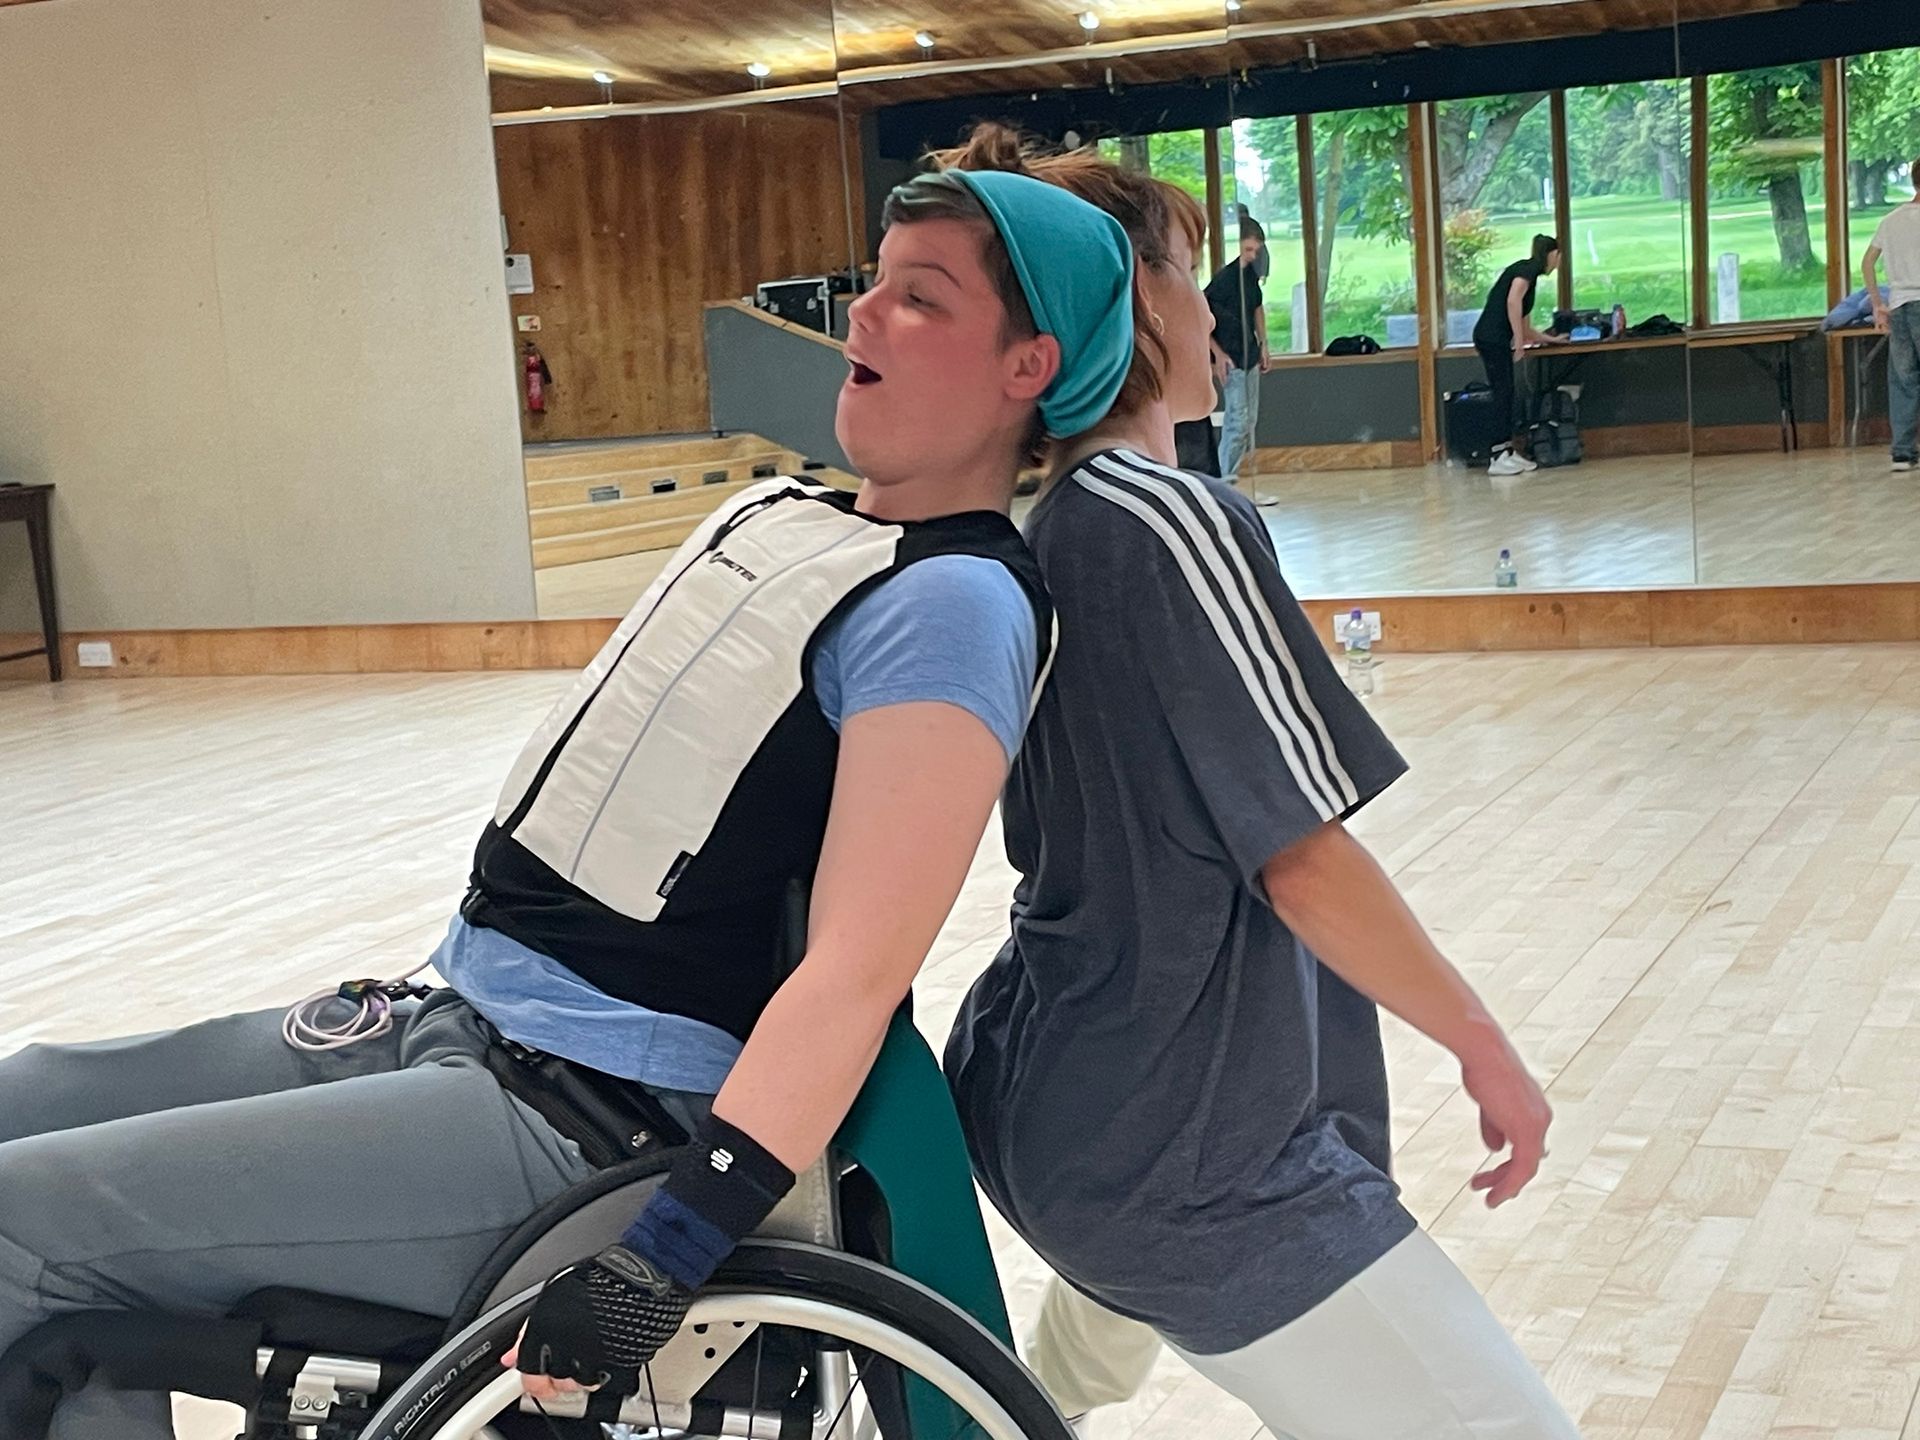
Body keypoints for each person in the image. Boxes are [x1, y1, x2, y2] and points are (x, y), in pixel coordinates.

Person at [0, 171, 1139, 1436]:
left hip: (578, 1128)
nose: (863, 316)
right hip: (464, 1019)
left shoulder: (955, 603)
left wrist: (666, 1254)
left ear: (1026, 366)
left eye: (919, 300)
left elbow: (853, 981)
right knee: (26, 1092)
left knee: (23, 1230)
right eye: (874, 281)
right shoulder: (790, 516)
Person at [937, 125, 1580, 1440]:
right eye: (1183, 277)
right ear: (1126, 307)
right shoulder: (1168, 521)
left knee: (1074, 1367)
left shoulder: (1042, 522)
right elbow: (1300, 857)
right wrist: (1484, 1046)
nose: (1216, 314)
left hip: (1050, 1095)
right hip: (1184, 1142)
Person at [1473, 233, 1568, 477]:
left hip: (1500, 339)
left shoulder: (1531, 278)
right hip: (1490, 337)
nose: (1559, 263)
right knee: (1502, 393)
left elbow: (1526, 325)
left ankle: (1507, 450)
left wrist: (1551, 339)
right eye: (1558, 257)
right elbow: (1512, 302)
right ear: (1552, 254)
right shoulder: (1527, 269)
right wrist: (1518, 343)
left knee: (1509, 393)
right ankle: (1496, 456)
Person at [1865, 163, 1920, 473]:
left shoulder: (1891, 221)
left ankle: (1902, 453)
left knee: (1903, 380)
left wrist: (1877, 304)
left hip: (1898, 306)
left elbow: (1868, 263)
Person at [1204, 216, 1269, 479]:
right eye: (1248, 250)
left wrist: (1264, 344)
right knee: (1236, 423)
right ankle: (1223, 479)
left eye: (1257, 250)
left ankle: (1231, 475)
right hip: (1231, 358)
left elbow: (1257, 309)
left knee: (1248, 422)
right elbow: (1202, 318)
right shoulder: (1223, 281)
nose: (1253, 256)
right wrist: (1217, 354)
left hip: (1249, 355)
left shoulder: (1250, 278)